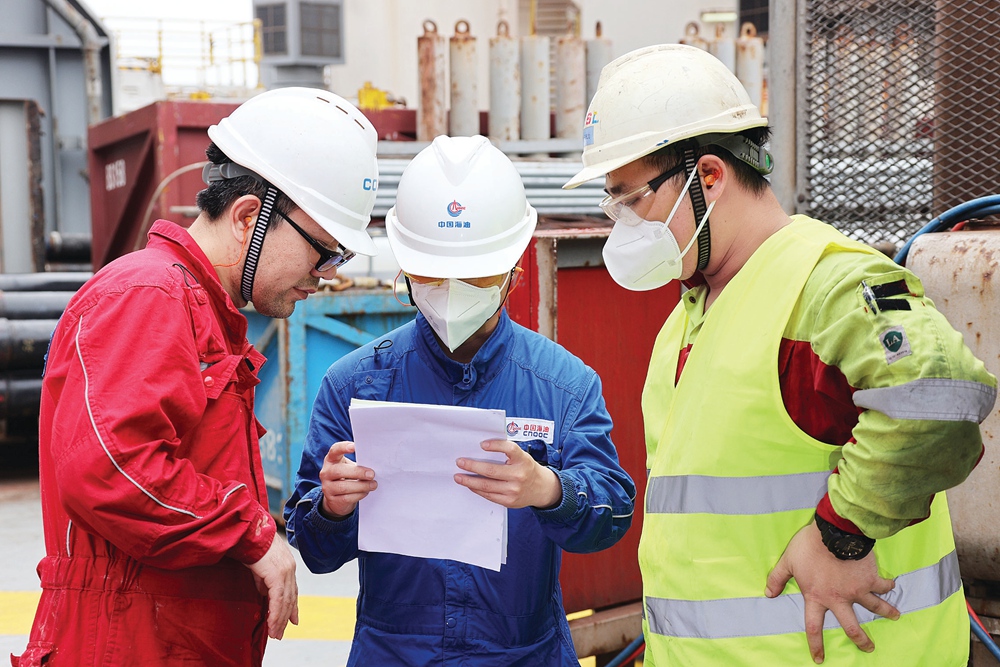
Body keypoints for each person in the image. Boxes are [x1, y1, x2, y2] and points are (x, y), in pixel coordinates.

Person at [563, 44, 997, 666]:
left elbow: (943, 396)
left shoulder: (825, 286)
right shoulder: (691, 315)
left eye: (632, 200)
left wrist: (841, 535)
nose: (624, 225)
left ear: (708, 176)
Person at [13, 87, 381, 667]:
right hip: (127, 647)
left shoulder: (202, 311)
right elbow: (108, 467)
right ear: (248, 218)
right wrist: (250, 533)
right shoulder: (149, 295)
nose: (327, 275)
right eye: (323, 252)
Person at [284, 134, 636, 666]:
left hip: (524, 655)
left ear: (513, 269)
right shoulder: (354, 384)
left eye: (475, 274)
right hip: (393, 654)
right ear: (405, 267)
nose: (453, 288)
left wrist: (548, 489)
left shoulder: (564, 385)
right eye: (432, 271)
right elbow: (316, 552)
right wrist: (332, 508)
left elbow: (613, 516)